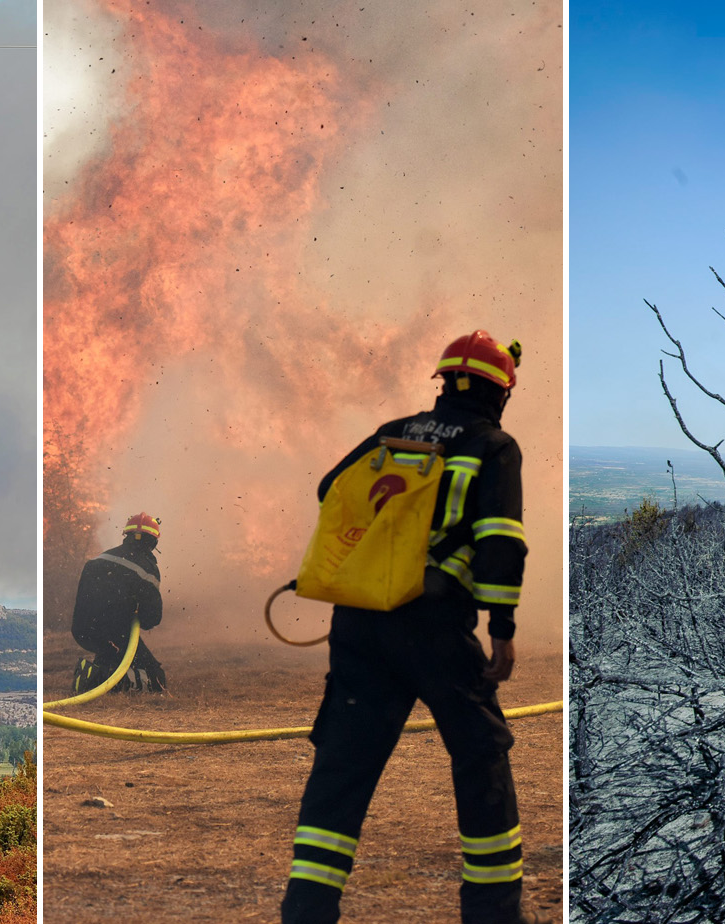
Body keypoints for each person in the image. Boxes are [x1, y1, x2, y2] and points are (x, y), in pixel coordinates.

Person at [280, 331, 542, 924]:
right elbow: (501, 538)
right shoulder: (492, 445)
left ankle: (307, 910)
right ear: (500, 392)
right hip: (432, 623)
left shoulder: (391, 433)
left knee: (343, 765)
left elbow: (330, 489)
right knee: (482, 756)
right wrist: (502, 624)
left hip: (360, 619)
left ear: (445, 383)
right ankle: (494, 912)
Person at [70, 512, 168, 693]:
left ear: (127, 535)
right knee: (156, 678)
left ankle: (94, 674)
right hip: (116, 633)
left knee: (111, 656)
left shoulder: (101, 558)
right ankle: (97, 682)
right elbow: (151, 619)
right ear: (153, 542)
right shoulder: (147, 568)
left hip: (81, 629)